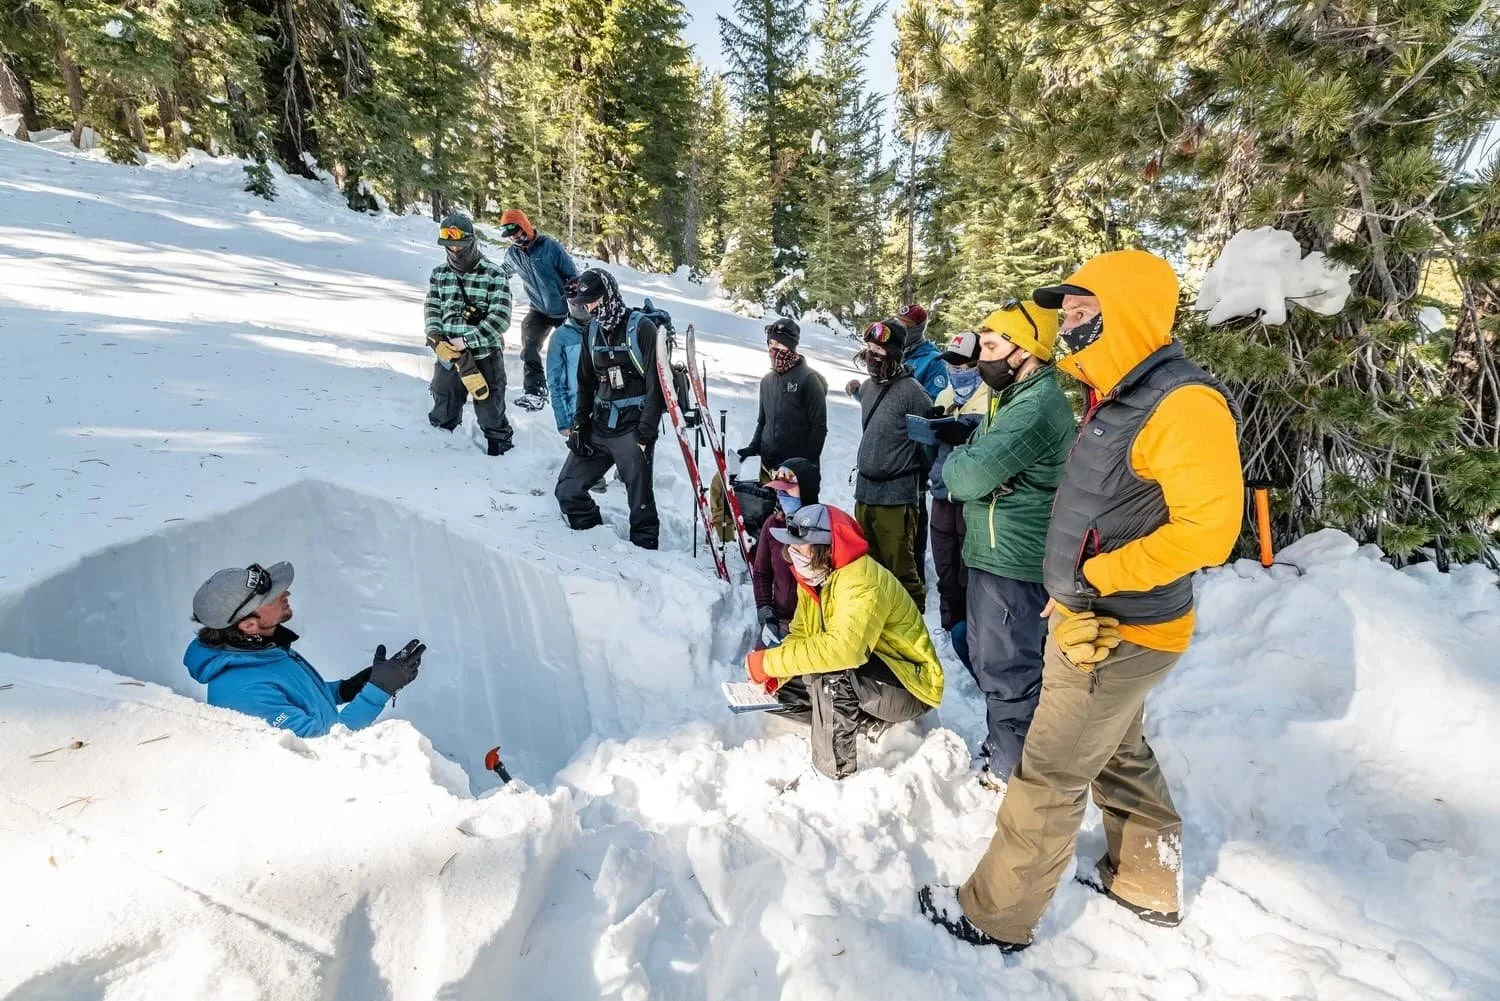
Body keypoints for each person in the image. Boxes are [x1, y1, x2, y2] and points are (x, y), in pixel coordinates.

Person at [921, 249, 1244, 951]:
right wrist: (1068, 585)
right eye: (1065, 313)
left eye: (1082, 310)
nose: (1068, 323)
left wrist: (1094, 580)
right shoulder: (1119, 392)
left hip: (1116, 630)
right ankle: (1145, 879)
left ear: (1125, 309)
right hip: (1096, 617)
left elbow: (1211, 531)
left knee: (1049, 771)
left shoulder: (1181, 401)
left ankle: (995, 914)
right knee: (1119, 750)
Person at [940, 302, 1075, 790]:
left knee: (1008, 669)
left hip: (1015, 560)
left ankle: (1013, 776)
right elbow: (975, 465)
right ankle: (1011, 748)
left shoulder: (1036, 407)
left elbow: (967, 474)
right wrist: (978, 467)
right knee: (982, 654)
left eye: (994, 347)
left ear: (1026, 351)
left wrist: (969, 468)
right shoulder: (1012, 398)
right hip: (993, 553)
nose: (983, 358)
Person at [744, 504, 944, 780]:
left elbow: (844, 650)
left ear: (825, 547)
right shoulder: (814, 578)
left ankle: (833, 774)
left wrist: (769, 661)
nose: (792, 555)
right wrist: (774, 673)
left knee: (831, 673)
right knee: (781, 689)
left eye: (800, 548)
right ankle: (864, 722)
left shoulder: (860, 581)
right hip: (870, 680)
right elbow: (802, 634)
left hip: (908, 687)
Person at [184, 562, 423, 738]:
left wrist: (347, 689)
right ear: (248, 625)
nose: (285, 593)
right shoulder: (245, 694)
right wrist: (377, 692)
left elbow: (300, 698)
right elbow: (324, 744)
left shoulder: (261, 650)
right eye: (271, 597)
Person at [554, 268, 664, 550]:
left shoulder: (642, 329)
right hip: (599, 426)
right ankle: (595, 542)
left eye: (592, 300)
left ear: (609, 295)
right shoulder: (590, 331)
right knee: (567, 490)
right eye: (583, 302)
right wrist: (579, 425)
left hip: (633, 429)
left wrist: (645, 434)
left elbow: (657, 387)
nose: (588, 307)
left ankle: (645, 557)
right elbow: (584, 382)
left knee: (641, 506)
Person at [849, 320, 933, 607]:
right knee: (866, 564)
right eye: (869, 348)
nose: (872, 355)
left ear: (895, 354)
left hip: (897, 497)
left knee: (901, 569)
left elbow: (929, 440)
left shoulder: (913, 393)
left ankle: (911, 629)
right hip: (865, 493)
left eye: (879, 350)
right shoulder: (870, 388)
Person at [425, 212, 515, 456]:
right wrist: (435, 337)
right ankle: (439, 449)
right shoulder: (439, 275)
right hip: (449, 355)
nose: (455, 250)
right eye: (449, 245)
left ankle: (501, 454)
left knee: (490, 409)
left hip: (484, 354)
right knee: (444, 403)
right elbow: (432, 307)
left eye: (459, 244)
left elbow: (500, 318)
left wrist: (467, 340)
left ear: (472, 241)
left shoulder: (494, 274)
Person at [925, 330, 990, 669]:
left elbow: (990, 441)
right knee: (945, 565)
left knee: (969, 568)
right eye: (951, 363)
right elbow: (933, 445)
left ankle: (971, 632)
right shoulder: (946, 393)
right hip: (941, 493)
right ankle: (949, 625)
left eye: (963, 364)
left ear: (978, 363)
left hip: (969, 499)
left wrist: (965, 430)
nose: (957, 370)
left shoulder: (991, 396)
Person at [500, 208, 579, 411]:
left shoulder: (549, 247)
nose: (514, 238)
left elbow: (572, 274)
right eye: (510, 235)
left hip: (563, 309)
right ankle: (535, 391)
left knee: (572, 351)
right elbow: (502, 273)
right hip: (539, 310)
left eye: (516, 232)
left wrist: (574, 288)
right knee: (529, 346)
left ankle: (578, 390)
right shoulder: (513, 254)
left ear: (524, 225)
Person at [737, 317, 829, 473]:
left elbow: (818, 428)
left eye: (779, 344)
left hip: (796, 470)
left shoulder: (808, 379)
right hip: (767, 465)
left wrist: (805, 464)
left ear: (791, 346)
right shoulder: (766, 381)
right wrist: (753, 447)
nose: (773, 349)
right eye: (770, 344)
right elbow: (762, 421)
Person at [752, 458, 822, 644]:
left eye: (787, 489)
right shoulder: (773, 525)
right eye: (779, 489)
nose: (781, 494)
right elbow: (761, 573)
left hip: (815, 624)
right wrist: (766, 614)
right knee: (761, 668)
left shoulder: (824, 529)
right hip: (781, 620)